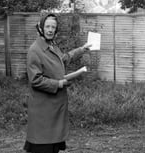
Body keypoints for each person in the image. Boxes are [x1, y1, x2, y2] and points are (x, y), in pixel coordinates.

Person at [24, 13, 91, 153]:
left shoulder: (52, 45)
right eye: (47, 26)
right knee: (43, 145)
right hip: (43, 108)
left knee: (53, 146)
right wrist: (59, 84)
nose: (50, 30)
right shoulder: (34, 50)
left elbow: (64, 58)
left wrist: (82, 50)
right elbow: (35, 80)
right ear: (41, 28)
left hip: (54, 106)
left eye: (53, 27)